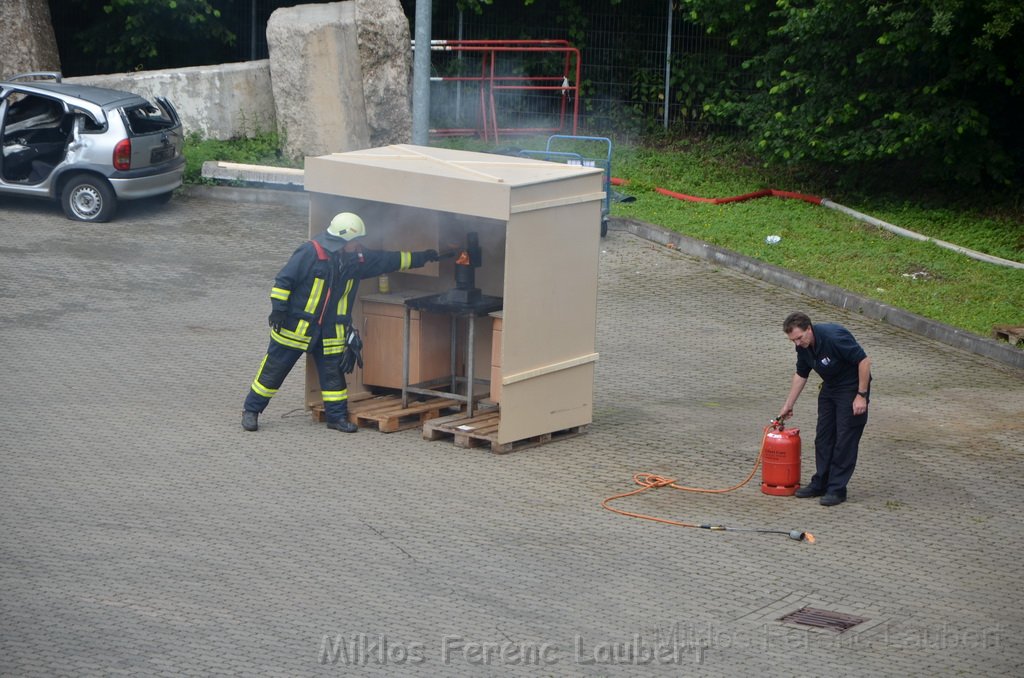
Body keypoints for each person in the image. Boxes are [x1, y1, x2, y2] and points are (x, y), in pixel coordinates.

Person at [242, 212, 438, 432]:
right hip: (295, 326)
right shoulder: (310, 252)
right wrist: (278, 310)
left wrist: (424, 257)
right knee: (273, 371)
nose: (358, 245)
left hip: (331, 330)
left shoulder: (357, 259)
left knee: (333, 375)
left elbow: (388, 260)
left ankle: (336, 418)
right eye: (354, 241)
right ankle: (251, 411)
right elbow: (283, 281)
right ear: (341, 240)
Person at [778, 312, 872, 506]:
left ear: (809, 329)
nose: (797, 343)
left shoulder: (834, 338)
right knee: (823, 437)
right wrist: (788, 405)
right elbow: (801, 374)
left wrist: (861, 396)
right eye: (792, 340)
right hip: (830, 387)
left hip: (851, 387)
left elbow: (864, 362)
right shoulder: (803, 347)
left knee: (844, 439)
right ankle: (820, 482)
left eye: (799, 338)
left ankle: (837, 489)